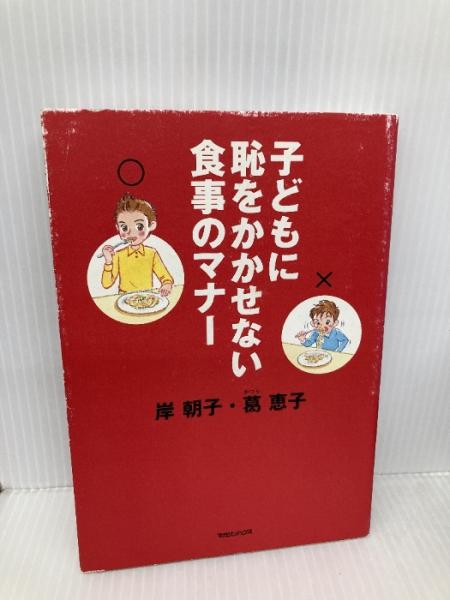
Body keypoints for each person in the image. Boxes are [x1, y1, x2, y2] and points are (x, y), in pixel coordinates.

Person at [101, 192, 174, 295]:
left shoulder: (151, 253)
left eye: (139, 226)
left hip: (147, 296)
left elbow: (165, 277)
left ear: (151, 226)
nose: (131, 233)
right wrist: (108, 261)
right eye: (124, 228)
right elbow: (106, 284)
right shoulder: (118, 255)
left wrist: (167, 284)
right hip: (123, 297)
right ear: (118, 228)